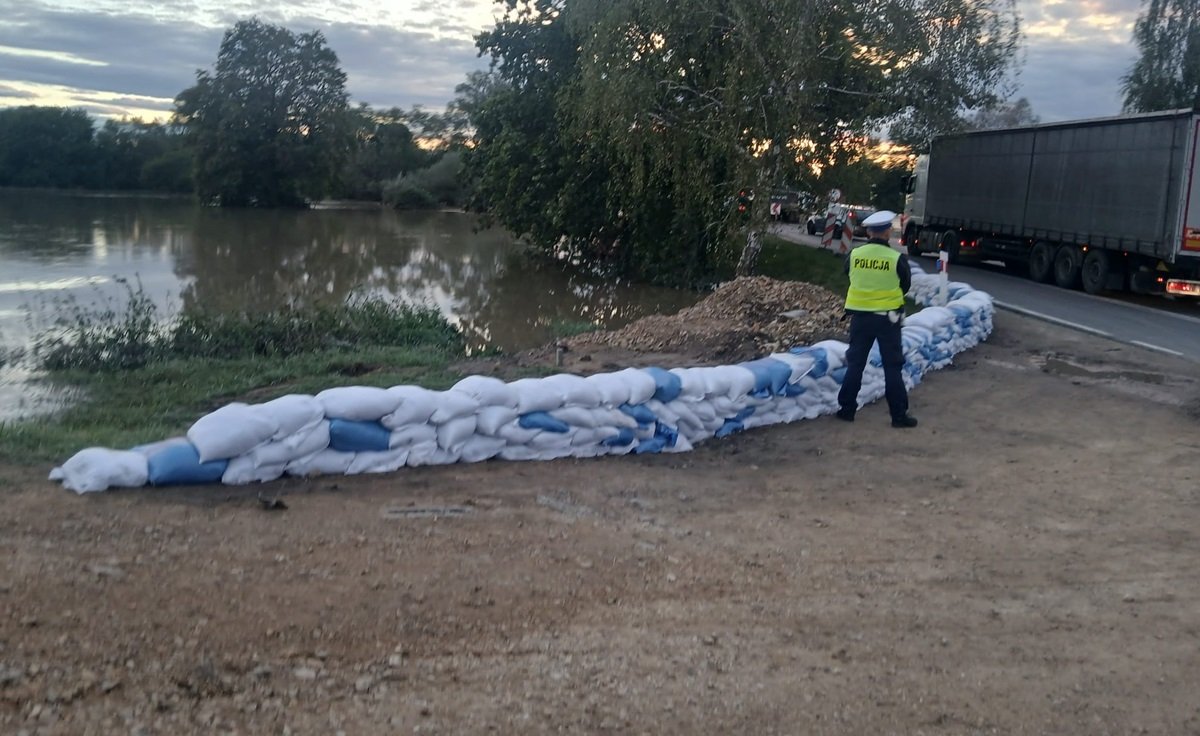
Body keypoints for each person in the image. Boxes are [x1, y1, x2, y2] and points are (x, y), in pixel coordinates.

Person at [835, 210, 919, 428]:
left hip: (860, 319)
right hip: (888, 321)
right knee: (892, 367)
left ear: (869, 231)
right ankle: (898, 416)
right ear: (888, 232)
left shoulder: (854, 255)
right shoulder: (896, 258)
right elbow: (905, 285)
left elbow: (849, 275)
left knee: (856, 364)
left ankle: (846, 410)